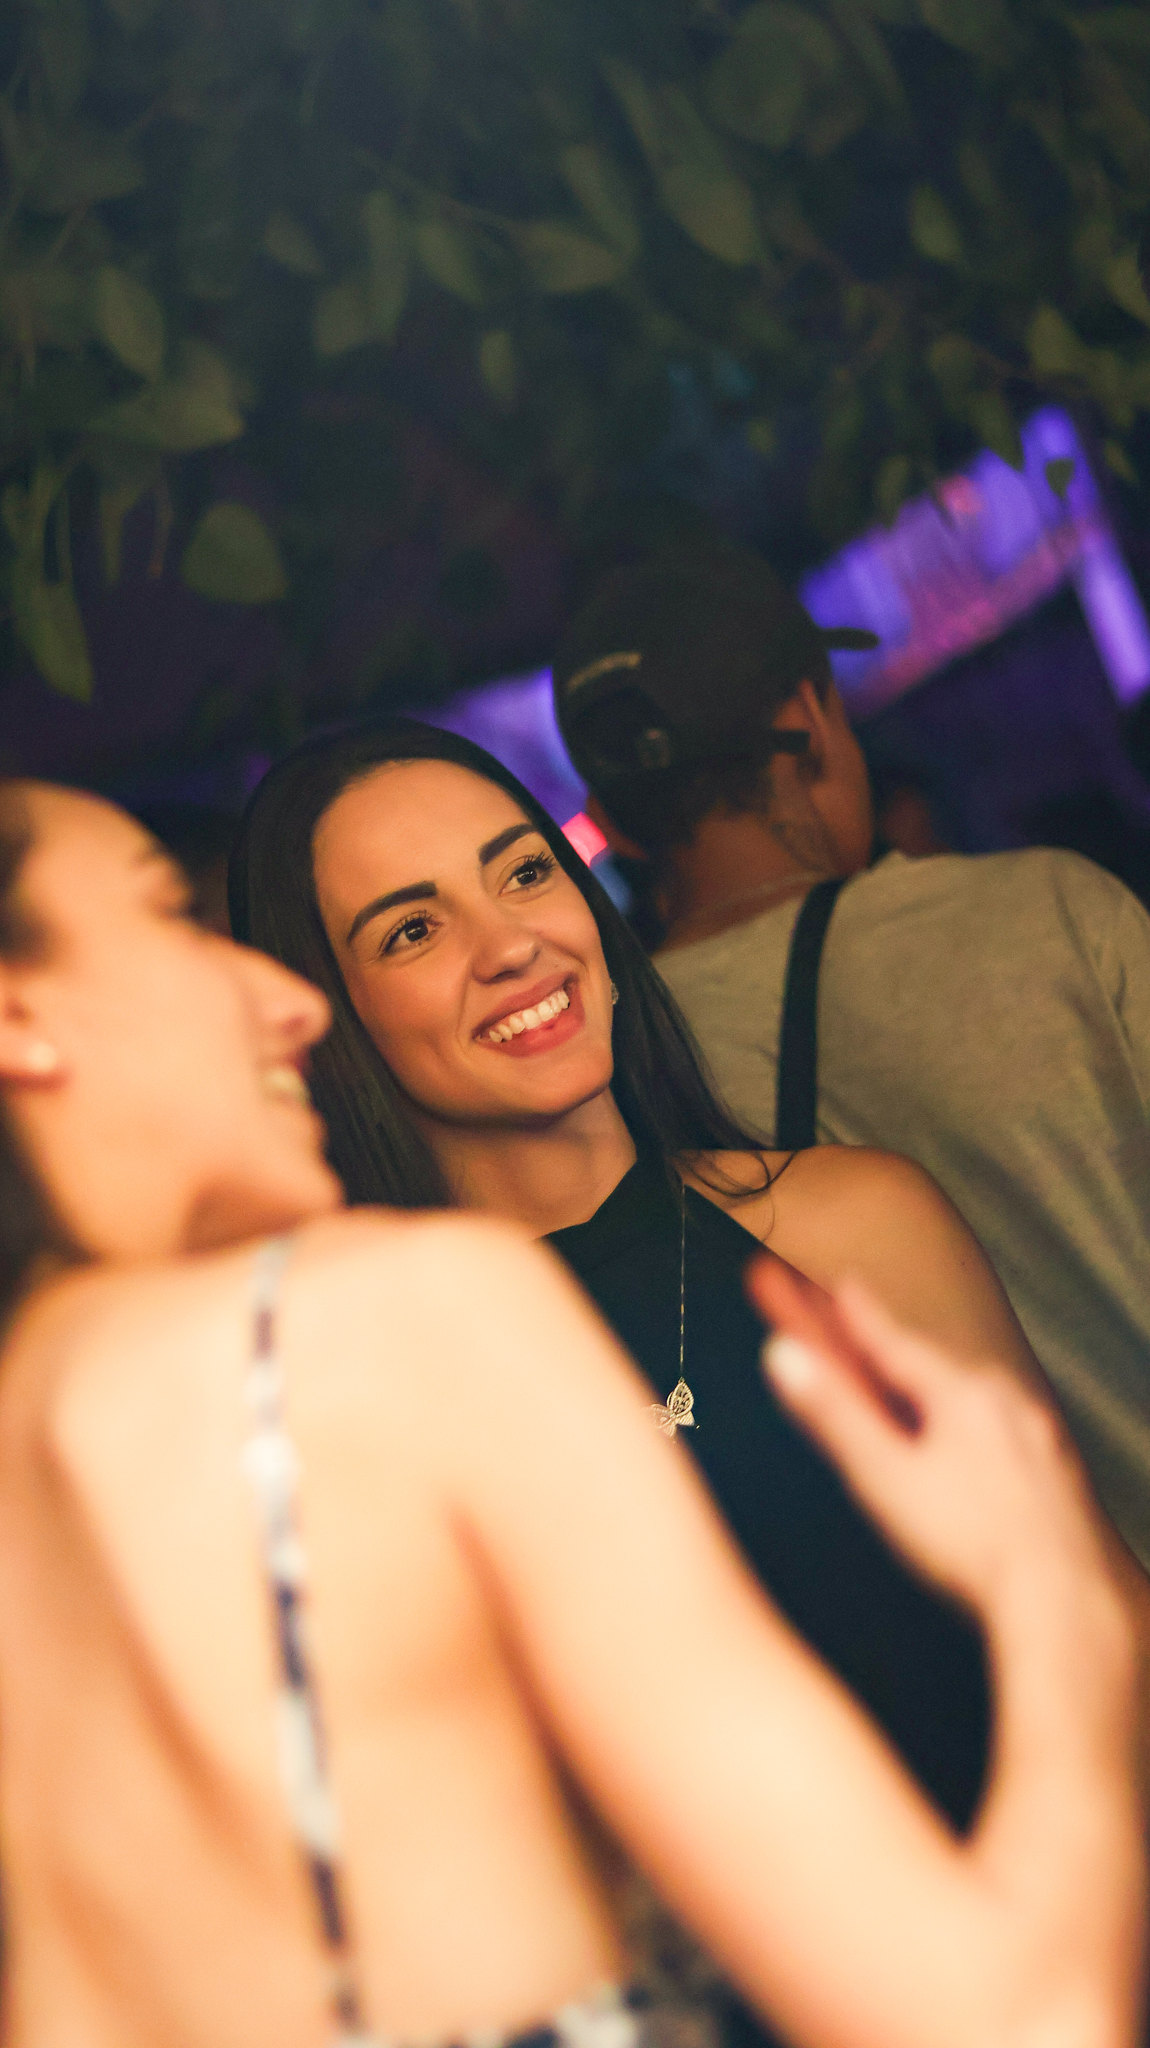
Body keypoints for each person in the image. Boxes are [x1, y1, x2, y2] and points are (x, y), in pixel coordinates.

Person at [0, 775, 1144, 2048]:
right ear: (16, 1016)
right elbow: (1012, 2015)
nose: (286, 1006)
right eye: (171, 917)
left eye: (528, 870)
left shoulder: (53, 1425)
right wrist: (1048, 1598)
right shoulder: (398, 1319)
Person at [228, 718, 1150, 1865]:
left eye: (525, 872)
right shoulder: (361, 1397)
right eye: (413, 929)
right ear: (325, 1013)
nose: (508, 943)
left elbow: (1101, 1617)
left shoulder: (851, 1226)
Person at [551, 541, 1150, 1572]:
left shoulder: (607, 1070)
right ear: (812, 717)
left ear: (616, 829)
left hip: (952, 1652)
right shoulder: (1049, 914)